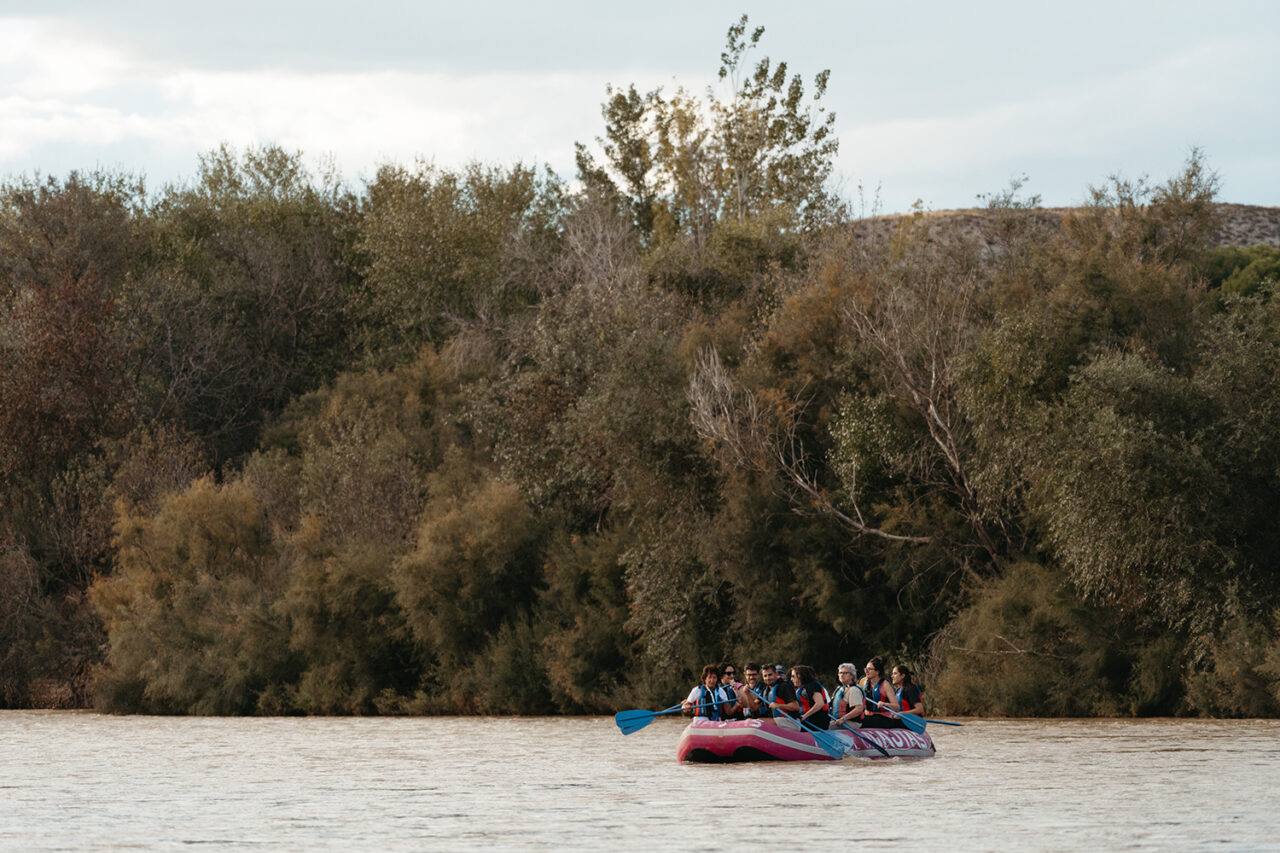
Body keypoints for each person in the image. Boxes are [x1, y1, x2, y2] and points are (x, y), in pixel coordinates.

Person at [859, 656, 903, 729]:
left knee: (861, 721)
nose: (866, 671)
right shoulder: (864, 683)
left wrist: (885, 704)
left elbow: (896, 707)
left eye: (869, 669)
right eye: (866, 669)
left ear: (877, 671)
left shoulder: (885, 685)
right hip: (867, 716)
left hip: (883, 718)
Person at [789, 664, 831, 730]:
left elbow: (820, 703)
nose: (791, 679)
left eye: (793, 676)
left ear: (800, 676)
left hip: (816, 722)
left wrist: (804, 716)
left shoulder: (812, 686)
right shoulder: (803, 688)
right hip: (808, 721)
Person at [830, 663, 865, 729]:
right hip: (839, 720)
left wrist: (843, 719)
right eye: (840, 673)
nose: (842, 675)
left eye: (845, 673)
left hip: (852, 722)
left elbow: (859, 709)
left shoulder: (854, 690)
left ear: (852, 675)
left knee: (829, 727)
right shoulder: (840, 689)